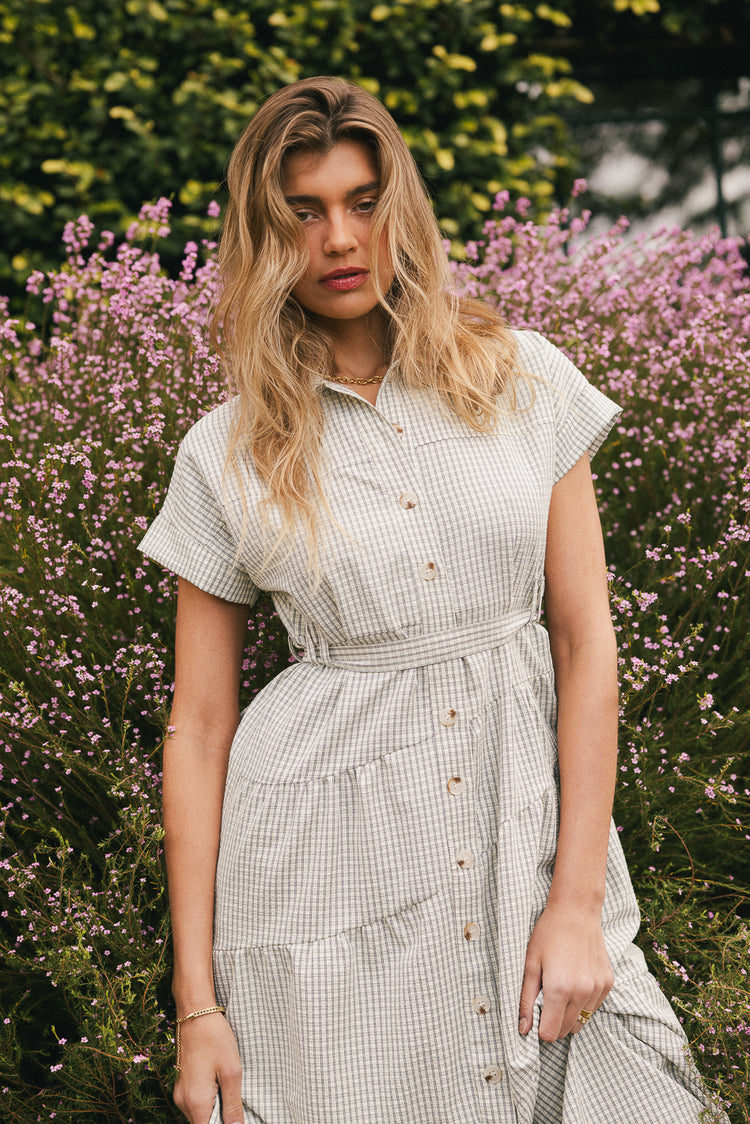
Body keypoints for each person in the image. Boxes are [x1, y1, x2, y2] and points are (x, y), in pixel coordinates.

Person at [139, 76, 724, 1124]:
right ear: (265, 237)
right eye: (303, 213)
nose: (338, 238)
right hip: (323, 881)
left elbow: (587, 639)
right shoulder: (222, 453)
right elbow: (198, 723)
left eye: (362, 201)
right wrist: (198, 1008)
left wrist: (579, 901)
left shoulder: (522, 380)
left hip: (526, 845)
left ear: (399, 204)